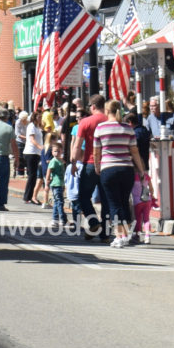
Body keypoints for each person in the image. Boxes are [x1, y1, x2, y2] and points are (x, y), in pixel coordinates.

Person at [93, 100, 147, 248]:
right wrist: (141, 170)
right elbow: (135, 151)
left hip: (108, 168)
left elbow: (96, 151)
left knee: (113, 203)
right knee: (124, 202)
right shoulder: (128, 129)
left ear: (106, 110)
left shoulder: (100, 128)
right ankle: (126, 234)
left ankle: (119, 236)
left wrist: (97, 166)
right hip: (126, 169)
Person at [71, 94, 110, 241]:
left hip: (90, 162)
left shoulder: (86, 122)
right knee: (106, 199)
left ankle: (94, 223)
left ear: (92, 107)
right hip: (107, 163)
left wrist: (74, 163)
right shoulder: (110, 120)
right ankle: (104, 234)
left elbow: (77, 145)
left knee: (83, 196)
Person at [22, 111, 43, 204]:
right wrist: (41, 148)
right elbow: (32, 139)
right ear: (34, 118)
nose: (40, 119)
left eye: (40, 117)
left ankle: (30, 196)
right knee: (32, 175)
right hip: (31, 152)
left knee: (33, 175)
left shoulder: (38, 127)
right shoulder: (31, 126)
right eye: (38, 117)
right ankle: (27, 196)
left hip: (36, 153)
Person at [44, 140, 67, 229]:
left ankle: (55, 219)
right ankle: (62, 219)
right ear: (52, 152)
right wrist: (47, 183)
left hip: (60, 183)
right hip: (55, 184)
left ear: (61, 151)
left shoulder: (60, 161)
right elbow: (48, 172)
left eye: (58, 151)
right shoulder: (53, 161)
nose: (56, 153)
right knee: (60, 202)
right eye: (54, 151)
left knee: (57, 202)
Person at [14, 111, 29, 177]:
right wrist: (26, 137)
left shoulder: (28, 122)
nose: (24, 121)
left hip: (27, 141)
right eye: (23, 119)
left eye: (25, 119)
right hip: (20, 141)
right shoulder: (18, 122)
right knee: (20, 157)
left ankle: (28, 172)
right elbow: (17, 134)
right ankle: (21, 172)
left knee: (27, 157)